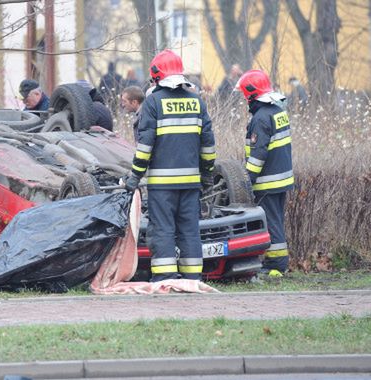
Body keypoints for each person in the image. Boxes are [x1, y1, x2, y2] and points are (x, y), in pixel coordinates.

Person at [123, 50, 216, 282]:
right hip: (191, 183)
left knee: (163, 229)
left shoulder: (153, 102)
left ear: (156, 76)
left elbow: (145, 146)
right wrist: (206, 175)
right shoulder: (197, 102)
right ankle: (193, 278)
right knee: (189, 229)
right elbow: (208, 145)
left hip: (162, 185)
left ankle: (165, 277)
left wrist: (135, 176)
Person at [236, 69, 294, 277]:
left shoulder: (260, 118)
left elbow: (258, 154)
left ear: (252, 93)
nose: (245, 99)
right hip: (282, 178)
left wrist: (246, 181)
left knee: (271, 221)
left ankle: (276, 266)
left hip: (267, 181)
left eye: (245, 95)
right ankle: (278, 262)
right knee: (276, 218)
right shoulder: (277, 112)